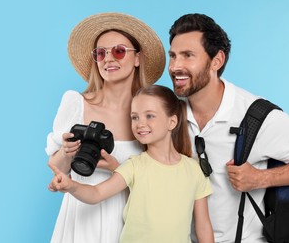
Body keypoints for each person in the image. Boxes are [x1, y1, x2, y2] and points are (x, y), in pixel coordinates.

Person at [167, 13, 289, 242]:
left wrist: (261, 178)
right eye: (172, 56)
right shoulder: (170, 115)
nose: (175, 66)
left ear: (217, 60)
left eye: (187, 56)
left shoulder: (257, 117)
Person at [45, 12, 166, 243]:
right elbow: (56, 167)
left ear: (137, 58)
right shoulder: (75, 102)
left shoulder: (151, 115)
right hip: (79, 218)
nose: (108, 59)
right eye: (100, 53)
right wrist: (66, 152)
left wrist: (118, 169)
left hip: (129, 220)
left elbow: (159, 180)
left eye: (119, 51)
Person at [49, 85, 214, 243]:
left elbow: (203, 227)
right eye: (135, 117)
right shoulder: (133, 166)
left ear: (172, 122)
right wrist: (71, 186)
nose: (140, 123)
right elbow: (96, 193)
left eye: (150, 115)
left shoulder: (194, 170)